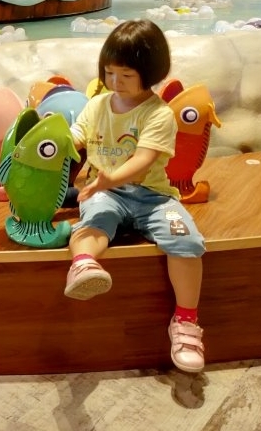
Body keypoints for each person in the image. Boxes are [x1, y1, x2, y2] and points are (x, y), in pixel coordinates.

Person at [63, 19, 206, 373]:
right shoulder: (97, 106)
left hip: (154, 197)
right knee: (94, 221)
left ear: (151, 72)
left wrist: (109, 178)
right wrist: (49, 143)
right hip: (104, 193)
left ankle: (186, 322)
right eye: (109, 73)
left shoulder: (158, 114)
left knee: (185, 239)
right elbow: (75, 137)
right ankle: (84, 265)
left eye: (125, 75)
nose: (115, 82)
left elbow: (143, 161)